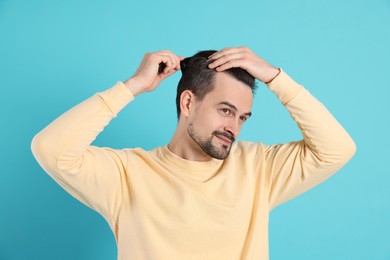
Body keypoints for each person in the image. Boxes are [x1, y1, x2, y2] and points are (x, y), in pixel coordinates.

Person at [31, 47, 356, 260]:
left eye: (243, 117)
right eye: (226, 110)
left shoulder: (259, 168)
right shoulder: (127, 174)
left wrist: (275, 77)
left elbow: (337, 149)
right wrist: (133, 86)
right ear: (188, 103)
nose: (235, 128)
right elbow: (51, 149)